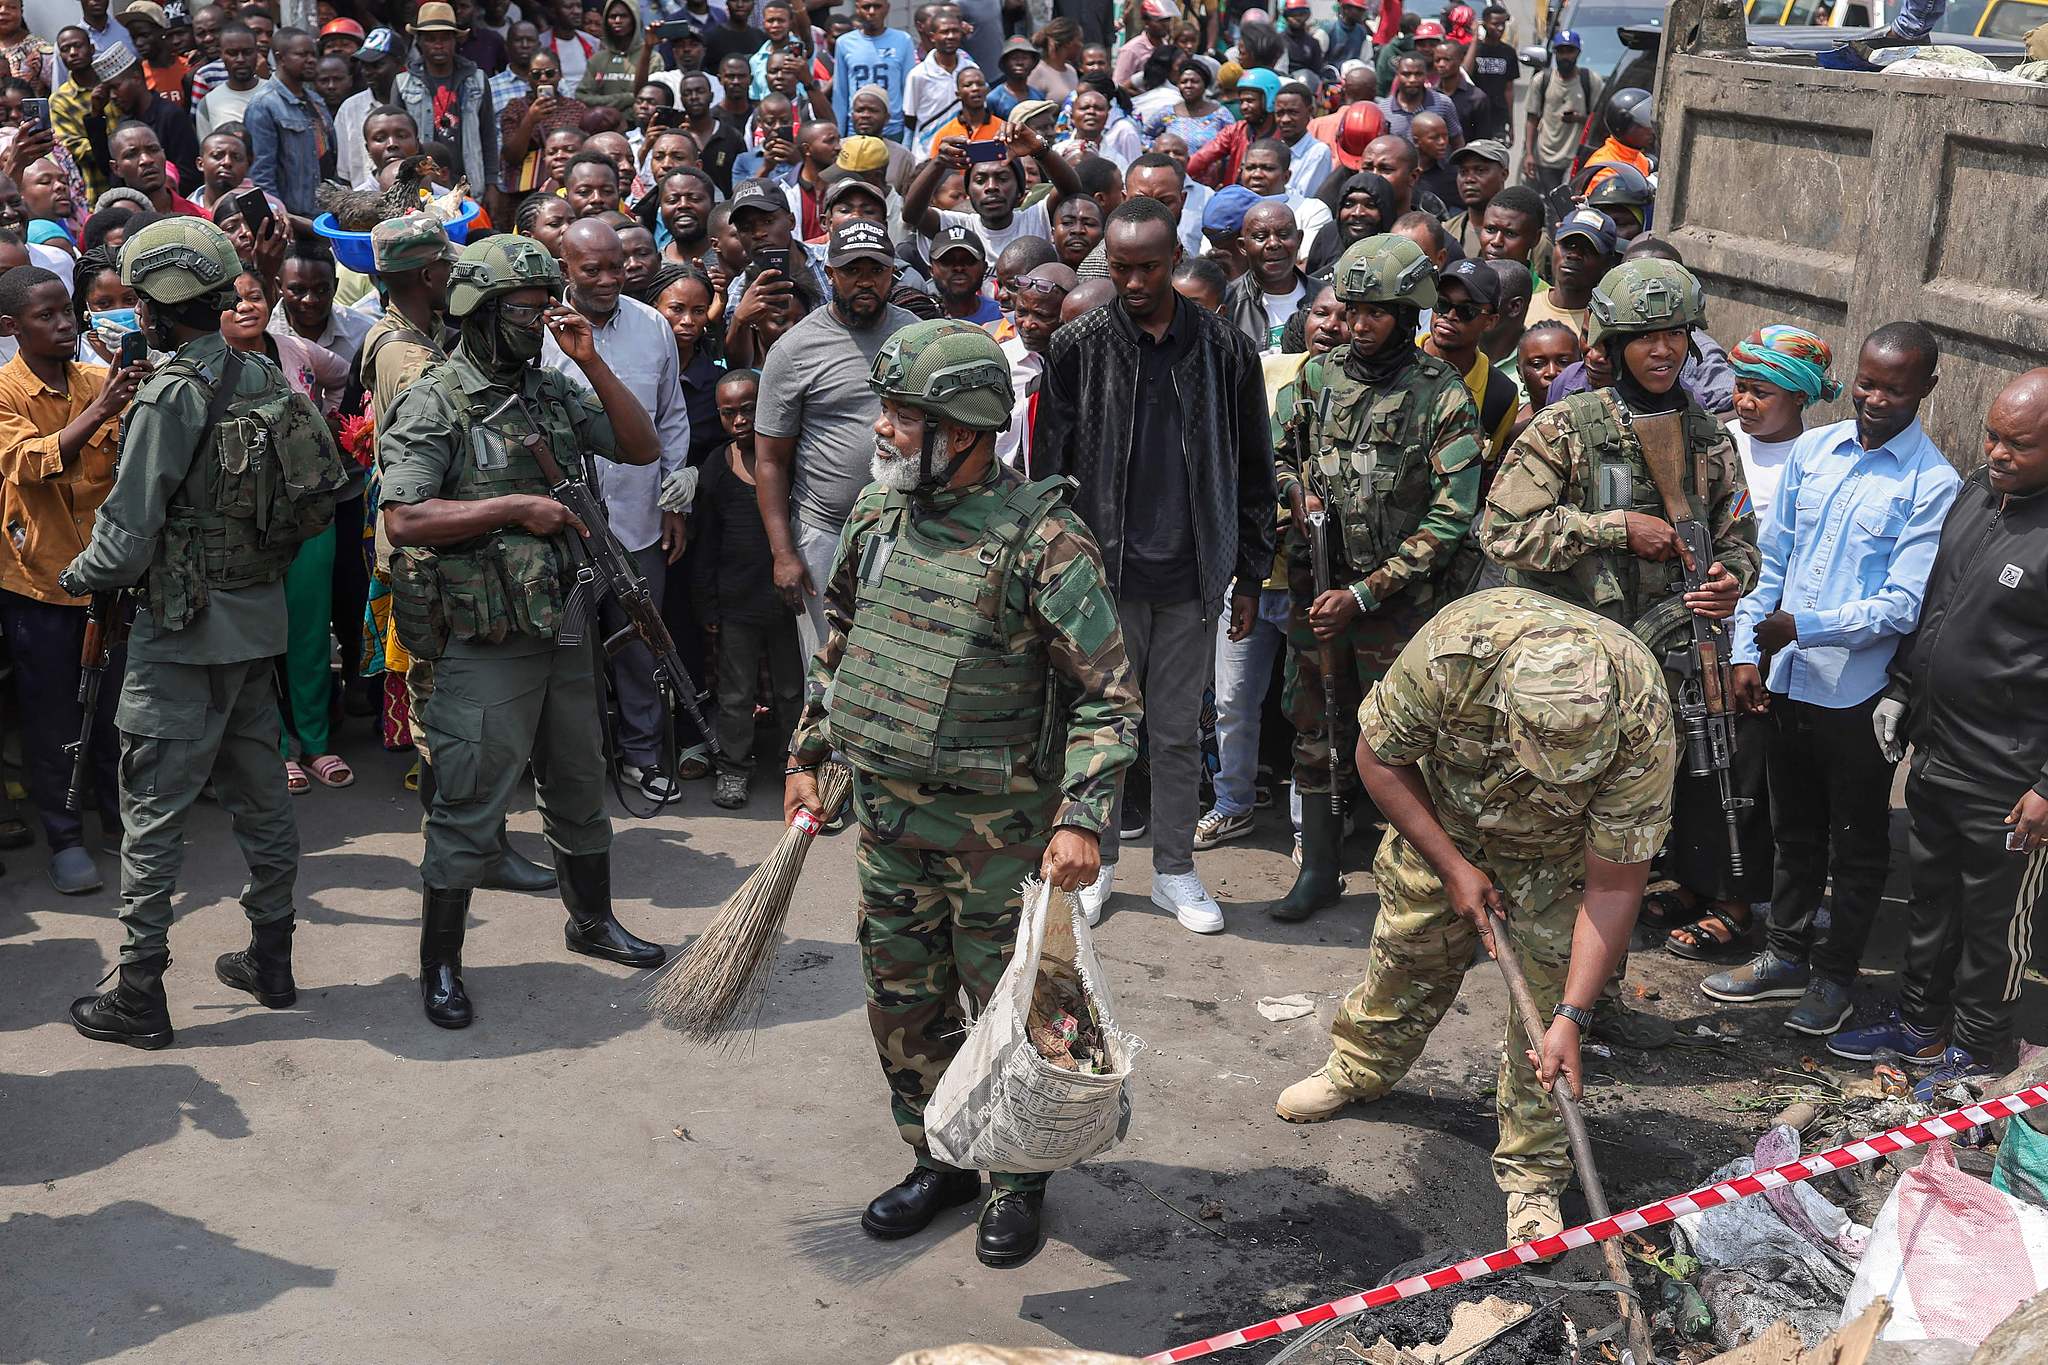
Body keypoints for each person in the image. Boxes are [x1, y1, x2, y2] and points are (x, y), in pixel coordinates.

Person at [785, 316, 1140, 1271]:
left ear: (969, 429)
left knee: (1012, 1016)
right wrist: (808, 752)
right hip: (891, 829)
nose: (884, 432)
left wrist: (1081, 820)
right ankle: (936, 1154)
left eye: (905, 415)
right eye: (886, 412)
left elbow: (1109, 696)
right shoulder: (875, 516)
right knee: (904, 1006)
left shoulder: (1045, 539)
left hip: (1002, 842)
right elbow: (842, 645)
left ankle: (1014, 1182)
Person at [1274, 587, 1677, 1245]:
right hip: (1444, 818)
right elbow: (1377, 758)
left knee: (1547, 1017)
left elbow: (1613, 886)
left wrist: (1573, 1015)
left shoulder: (1643, 718)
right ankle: (1358, 1068)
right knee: (1408, 952)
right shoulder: (1454, 650)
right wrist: (1454, 866)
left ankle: (1534, 1174)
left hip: (1559, 851)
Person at [62, 218, 348, 1049]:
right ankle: (272, 958)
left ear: (153, 311)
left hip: (179, 634)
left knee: (151, 812)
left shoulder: (168, 394)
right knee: (263, 802)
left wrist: (72, 579)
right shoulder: (260, 372)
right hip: (255, 622)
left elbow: (125, 536)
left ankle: (141, 993)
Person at [377, 235, 670, 1030]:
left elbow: (641, 449)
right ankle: (441, 964)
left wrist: (592, 362)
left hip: (562, 626)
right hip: (483, 639)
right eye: (526, 310)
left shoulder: (552, 390)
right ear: (477, 311)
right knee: (470, 799)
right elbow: (404, 516)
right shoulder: (435, 398)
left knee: (579, 778)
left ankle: (593, 920)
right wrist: (514, 507)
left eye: (547, 306)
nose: (541, 320)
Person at [1480, 259, 1766, 1015]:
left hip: (1665, 673)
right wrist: (1611, 527)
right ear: (1612, 342)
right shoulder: (1568, 427)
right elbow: (1503, 530)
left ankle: (1594, 1001)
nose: (1663, 351)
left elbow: (1742, 541)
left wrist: (1728, 578)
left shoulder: (1709, 436)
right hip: (1574, 672)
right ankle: (1545, 1011)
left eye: (1675, 334)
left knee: (1628, 845)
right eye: (1644, 337)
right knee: (1559, 842)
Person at [1705, 323, 1960, 1035]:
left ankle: (1836, 976)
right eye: (1867, 383)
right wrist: (1749, 651)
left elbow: (1902, 604)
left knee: (1857, 843)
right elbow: (1769, 558)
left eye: (1896, 388)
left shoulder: (1931, 484)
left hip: (1858, 694)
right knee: (1794, 830)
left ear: (1927, 390)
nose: (1876, 399)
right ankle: (1784, 955)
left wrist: (1803, 628)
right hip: (1785, 677)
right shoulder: (1816, 450)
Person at [1032, 197, 1274, 933]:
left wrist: (1251, 572)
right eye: (1121, 267)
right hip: (1101, 579)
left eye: (1148, 267)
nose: (1134, 282)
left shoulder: (1225, 349)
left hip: (1193, 574)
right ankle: (1098, 863)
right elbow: (1050, 467)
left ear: (1174, 260)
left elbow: (1254, 466)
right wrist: (1053, 572)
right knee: (1098, 730)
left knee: (1172, 731)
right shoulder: (1077, 346)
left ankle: (1174, 869)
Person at [1831, 369, 2048, 1093]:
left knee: (1994, 926)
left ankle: (1982, 1054)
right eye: (1992, 433)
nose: (1996, 451)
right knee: (1929, 900)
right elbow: (1937, 606)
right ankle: (1921, 1029)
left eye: (2018, 443)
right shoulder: (1976, 494)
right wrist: (1901, 688)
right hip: (1939, 753)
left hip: (2011, 778)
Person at [1266, 234, 1483, 921]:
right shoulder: (1314, 377)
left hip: (1402, 605)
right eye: (1352, 310)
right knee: (1315, 730)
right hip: (1317, 588)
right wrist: (1294, 497)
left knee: (1408, 739)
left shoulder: (1440, 394)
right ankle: (1321, 868)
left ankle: (1414, 880)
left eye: (1377, 312)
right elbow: (1274, 458)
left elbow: (1452, 517)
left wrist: (1366, 591)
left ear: (1409, 313)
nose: (1358, 324)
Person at [539, 218, 693, 802]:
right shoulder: (539, 332)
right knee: (567, 650)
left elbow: (670, 416)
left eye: (617, 267)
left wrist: (674, 498)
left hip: (638, 517)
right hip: (562, 525)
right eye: (591, 270)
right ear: (564, 271)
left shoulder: (652, 324)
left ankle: (642, 757)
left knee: (639, 645)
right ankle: (572, 769)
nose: (608, 279)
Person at [0, 264, 135, 895]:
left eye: (66, 312)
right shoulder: (6, 391)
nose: (63, 325)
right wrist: (106, 405)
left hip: (109, 580)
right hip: (42, 584)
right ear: (11, 328)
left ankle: (117, 819)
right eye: (45, 316)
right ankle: (62, 834)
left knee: (116, 708)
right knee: (54, 713)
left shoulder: (95, 378)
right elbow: (31, 465)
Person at [752, 219, 917, 664]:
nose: (865, 281)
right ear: (830, 273)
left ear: (891, 273)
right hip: (825, 533)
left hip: (906, 530)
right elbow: (769, 460)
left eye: (876, 270)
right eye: (852, 270)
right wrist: (783, 553)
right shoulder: (794, 349)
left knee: (898, 665)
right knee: (828, 669)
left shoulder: (916, 336)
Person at [689, 367, 796, 809]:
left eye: (748, 409)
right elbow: (706, 541)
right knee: (735, 692)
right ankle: (733, 768)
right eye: (728, 412)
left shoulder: (793, 455)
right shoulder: (718, 464)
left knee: (794, 690)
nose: (739, 421)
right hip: (736, 600)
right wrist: (707, 604)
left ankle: (797, 766)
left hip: (790, 601)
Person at [903, 125, 1079, 260]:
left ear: (1020, 191)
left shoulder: (1036, 219)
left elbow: (1071, 192)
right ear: (969, 193)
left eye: (1002, 178)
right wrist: (938, 163)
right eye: (980, 180)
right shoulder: (956, 226)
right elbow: (912, 215)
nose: (991, 186)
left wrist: (1040, 150)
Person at [1723, 325, 1836, 527]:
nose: (1744, 403)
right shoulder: (1721, 439)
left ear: (1799, 396)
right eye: (1740, 388)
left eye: (1760, 393)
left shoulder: (1814, 463)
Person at [394, 3, 498, 192]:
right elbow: (399, 141)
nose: (438, 45)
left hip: (469, 180)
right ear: (419, 42)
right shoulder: (403, 83)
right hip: (423, 184)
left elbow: (488, 135)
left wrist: (492, 183)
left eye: (445, 38)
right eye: (431, 39)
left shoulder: (477, 79)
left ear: (455, 40)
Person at [1422, 257, 1516, 461]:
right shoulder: (1398, 361)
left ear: (1490, 322)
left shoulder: (1500, 395)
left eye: (1466, 311)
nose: (1450, 315)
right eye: (1442, 303)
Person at [244, 27, 332, 221]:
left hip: (323, 215)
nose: (311, 60)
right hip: (293, 219)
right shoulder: (264, 105)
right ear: (281, 58)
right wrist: (280, 219)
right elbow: (262, 173)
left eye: (313, 54)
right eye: (302, 54)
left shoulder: (316, 101)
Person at [1521, 29, 1602, 205]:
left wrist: (1580, 118)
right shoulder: (1542, 80)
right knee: (1552, 204)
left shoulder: (1591, 81)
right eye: (1561, 51)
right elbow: (1532, 118)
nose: (1565, 56)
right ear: (1555, 53)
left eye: (1570, 51)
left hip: (1575, 157)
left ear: (1578, 53)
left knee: (1570, 203)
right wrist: (1529, 154)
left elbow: (1598, 120)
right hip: (1546, 156)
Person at [1222, 199, 1306, 353]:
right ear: (1243, 247)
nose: (1273, 244)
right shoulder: (1227, 302)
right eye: (1261, 237)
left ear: (1299, 239)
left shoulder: (1326, 297)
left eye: (1284, 235)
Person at [1525, 206, 1614, 340]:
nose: (1574, 255)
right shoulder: (1524, 308)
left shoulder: (1606, 325)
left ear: (1607, 262)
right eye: (1568, 245)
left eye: (1588, 249)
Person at [832, 0, 916, 139]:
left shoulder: (903, 40)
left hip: (893, 128)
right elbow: (840, 92)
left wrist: (908, 136)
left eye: (877, 6)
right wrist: (839, 133)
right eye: (866, 7)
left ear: (887, 8)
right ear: (858, 9)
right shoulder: (844, 43)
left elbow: (909, 90)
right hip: (857, 129)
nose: (872, 12)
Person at [1187, 65, 1276, 190]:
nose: (1244, 107)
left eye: (1250, 101)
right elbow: (1202, 158)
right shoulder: (1235, 131)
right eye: (1242, 101)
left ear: (1269, 100)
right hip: (1236, 200)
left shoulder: (1284, 136)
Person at [904, 7, 976, 156]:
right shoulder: (918, 74)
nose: (950, 36)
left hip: (964, 151)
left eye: (955, 31)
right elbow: (910, 119)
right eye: (944, 32)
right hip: (928, 152)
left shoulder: (971, 69)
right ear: (932, 36)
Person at [582, 0, 666, 112]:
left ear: (635, 19)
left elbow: (654, 99)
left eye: (623, 16)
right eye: (613, 16)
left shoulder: (653, 58)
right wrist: (628, 98)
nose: (617, 21)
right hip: (604, 124)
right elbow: (583, 97)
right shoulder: (597, 59)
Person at [1443, 138, 1508, 259]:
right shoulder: (1447, 232)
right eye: (1463, 171)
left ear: (1503, 174)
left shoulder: (1526, 236)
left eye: (1480, 170)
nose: (1469, 179)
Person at [195, 20, 261, 136]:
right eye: (232, 53)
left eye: (247, 52)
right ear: (221, 55)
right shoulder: (208, 104)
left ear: (257, 52)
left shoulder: (276, 94)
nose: (240, 59)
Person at [1380, 53, 1462, 145]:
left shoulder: (1444, 103)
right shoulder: (1383, 109)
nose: (1412, 79)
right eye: (1406, 74)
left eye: (1418, 74)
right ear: (1397, 75)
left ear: (1425, 75)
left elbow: (1457, 141)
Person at [1466, 4, 1517, 143]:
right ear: (1485, 24)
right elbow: (1465, 74)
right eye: (1495, 24)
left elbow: (1509, 89)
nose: (1500, 28)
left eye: (1503, 24)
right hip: (1474, 115)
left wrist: (1511, 124)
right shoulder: (1474, 51)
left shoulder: (1509, 53)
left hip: (1498, 117)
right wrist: (1475, 39)